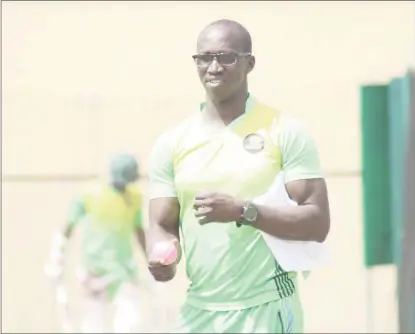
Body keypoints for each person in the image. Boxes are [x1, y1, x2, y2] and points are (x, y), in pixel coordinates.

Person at [146, 19, 331, 333]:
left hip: (267, 306)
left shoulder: (284, 131)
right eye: (204, 58)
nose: (214, 67)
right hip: (199, 311)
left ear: (249, 63)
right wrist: (162, 257)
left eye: (226, 57)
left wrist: (243, 212)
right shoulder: (172, 143)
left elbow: (317, 223)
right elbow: (161, 224)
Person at [45, 154, 155, 333]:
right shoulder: (90, 194)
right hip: (94, 270)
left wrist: (152, 262)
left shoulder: (134, 197)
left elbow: (138, 230)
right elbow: (68, 226)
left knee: (130, 323)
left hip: (123, 270)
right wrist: (56, 257)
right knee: (94, 324)